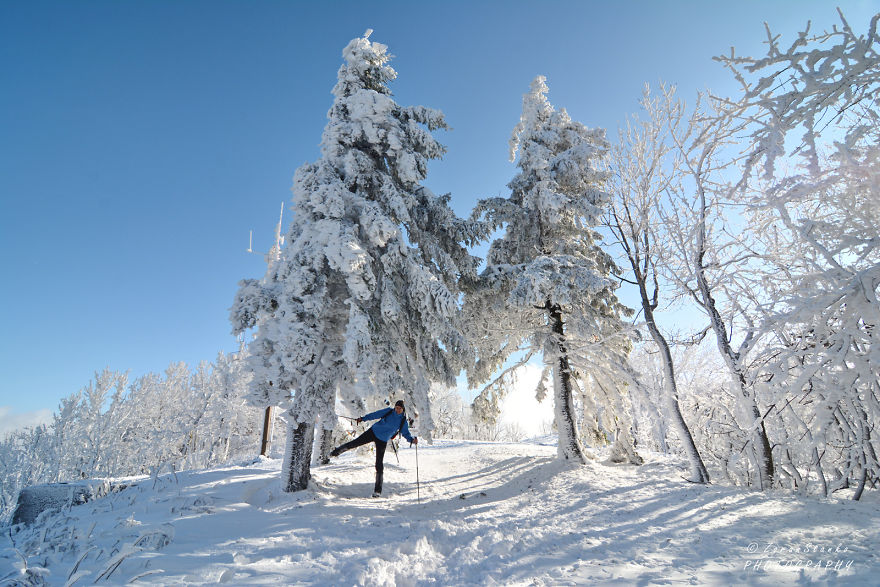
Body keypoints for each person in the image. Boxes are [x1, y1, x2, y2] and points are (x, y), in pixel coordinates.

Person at [330, 400, 417, 497]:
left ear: (403, 409)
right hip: (373, 432)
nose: (397, 410)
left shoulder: (403, 421)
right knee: (354, 443)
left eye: (400, 408)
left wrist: (412, 440)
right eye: (396, 407)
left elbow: (406, 433)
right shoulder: (389, 411)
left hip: (382, 440)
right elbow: (375, 414)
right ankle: (335, 453)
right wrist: (363, 419)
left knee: (379, 464)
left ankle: (377, 491)